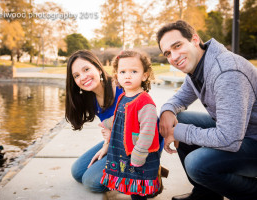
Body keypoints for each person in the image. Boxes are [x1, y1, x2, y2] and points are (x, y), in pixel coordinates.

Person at [157, 20, 257, 200]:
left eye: (177, 45)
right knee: (180, 118)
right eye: (168, 53)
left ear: (195, 40)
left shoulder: (227, 71)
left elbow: (229, 139)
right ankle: (206, 194)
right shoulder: (198, 67)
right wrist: (167, 111)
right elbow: (180, 98)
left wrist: (178, 132)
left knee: (197, 163)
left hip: (251, 139)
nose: (173, 56)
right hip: (242, 133)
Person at [100, 50, 162, 200]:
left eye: (134, 71)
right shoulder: (123, 96)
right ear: (117, 76)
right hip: (122, 150)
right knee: (130, 181)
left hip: (137, 152)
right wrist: (108, 124)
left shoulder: (145, 102)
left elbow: (148, 132)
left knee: (138, 185)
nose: (127, 75)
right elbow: (120, 116)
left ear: (144, 75)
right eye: (122, 72)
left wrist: (139, 153)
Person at [65, 50, 123, 192]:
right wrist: (107, 144)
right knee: (77, 172)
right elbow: (112, 129)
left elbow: (138, 126)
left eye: (86, 69)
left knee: (91, 182)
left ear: (98, 68)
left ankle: (143, 177)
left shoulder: (121, 87)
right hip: (116, 141)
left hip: (138, 143)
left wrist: (107, 145)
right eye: (77, 75)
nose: (83, 77)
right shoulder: (91, 98)